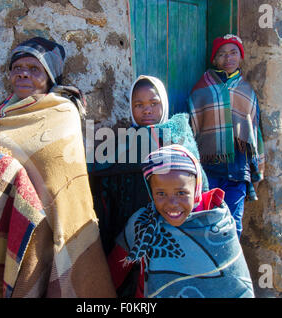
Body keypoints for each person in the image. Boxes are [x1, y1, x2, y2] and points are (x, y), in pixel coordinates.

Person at [0, 37, 116, 297]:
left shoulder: (62, 111)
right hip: (10, 217)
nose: (23, 73)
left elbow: (59, 176)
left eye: (34, 69)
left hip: (51, 220)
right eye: (17, 67)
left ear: (50, 76)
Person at [88, 75, 208, 296]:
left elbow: (200, 184)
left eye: (154, 103)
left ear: (164, 103)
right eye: (139, 105)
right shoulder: (120, 143)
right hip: (130, 232)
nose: (147, 110)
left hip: (175, 226)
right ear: (131, 108)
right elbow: (99, 173)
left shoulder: (179, 135)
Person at [107, 145, 254, 298]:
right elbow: (113, 272)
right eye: (161, 193)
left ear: (196, 189)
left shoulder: (217, 222)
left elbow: (236, 283)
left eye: (181, 193)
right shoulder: (143, 224)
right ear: (150, 192)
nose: (172, 203)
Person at [187, 34, 265, 238]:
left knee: (234, 225)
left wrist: (257, 165)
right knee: (207, 222)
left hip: (238, 169)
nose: (227, 58)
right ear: (214, 60)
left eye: (233, 53)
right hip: (209, 168)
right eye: (221, 54)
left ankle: (230, 269)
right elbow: (194, 128)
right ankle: (209, 269)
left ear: (241, 56)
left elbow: (255, 130)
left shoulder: (247, 91)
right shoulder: (201, 90)